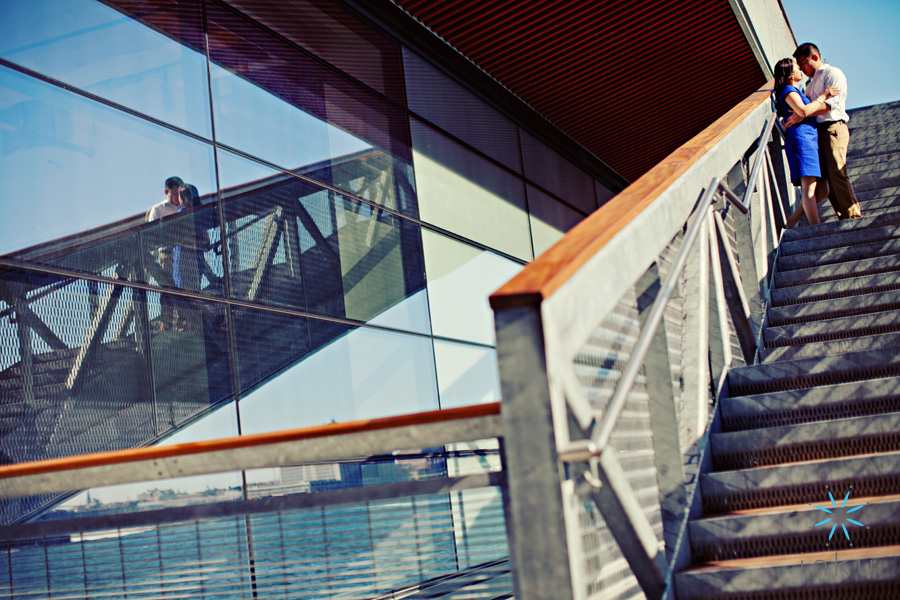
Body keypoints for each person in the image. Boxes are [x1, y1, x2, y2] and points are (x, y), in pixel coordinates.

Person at [788, 43, 862, 220]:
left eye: (803, 62)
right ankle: (844, 217)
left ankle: (853, 216)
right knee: (826, 178)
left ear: (815, 57)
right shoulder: (810, 84)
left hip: (833, 127)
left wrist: (803, 113)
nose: (802, 68)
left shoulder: (832, 73)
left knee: (836, 170)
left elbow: (830, 104)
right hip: (817, 132)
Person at [774, 58, 838, 228]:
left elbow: (803, 111)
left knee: (823, 190)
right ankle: (816, 229)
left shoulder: (796, 90)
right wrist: (824, 96)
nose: (800, 70)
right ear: (789, 74)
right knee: (809, 189)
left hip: (810, 139)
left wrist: (803, 113)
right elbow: (802, 110)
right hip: (801, 140)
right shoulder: (788, 90)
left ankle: (791, 222)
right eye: (796, 67)